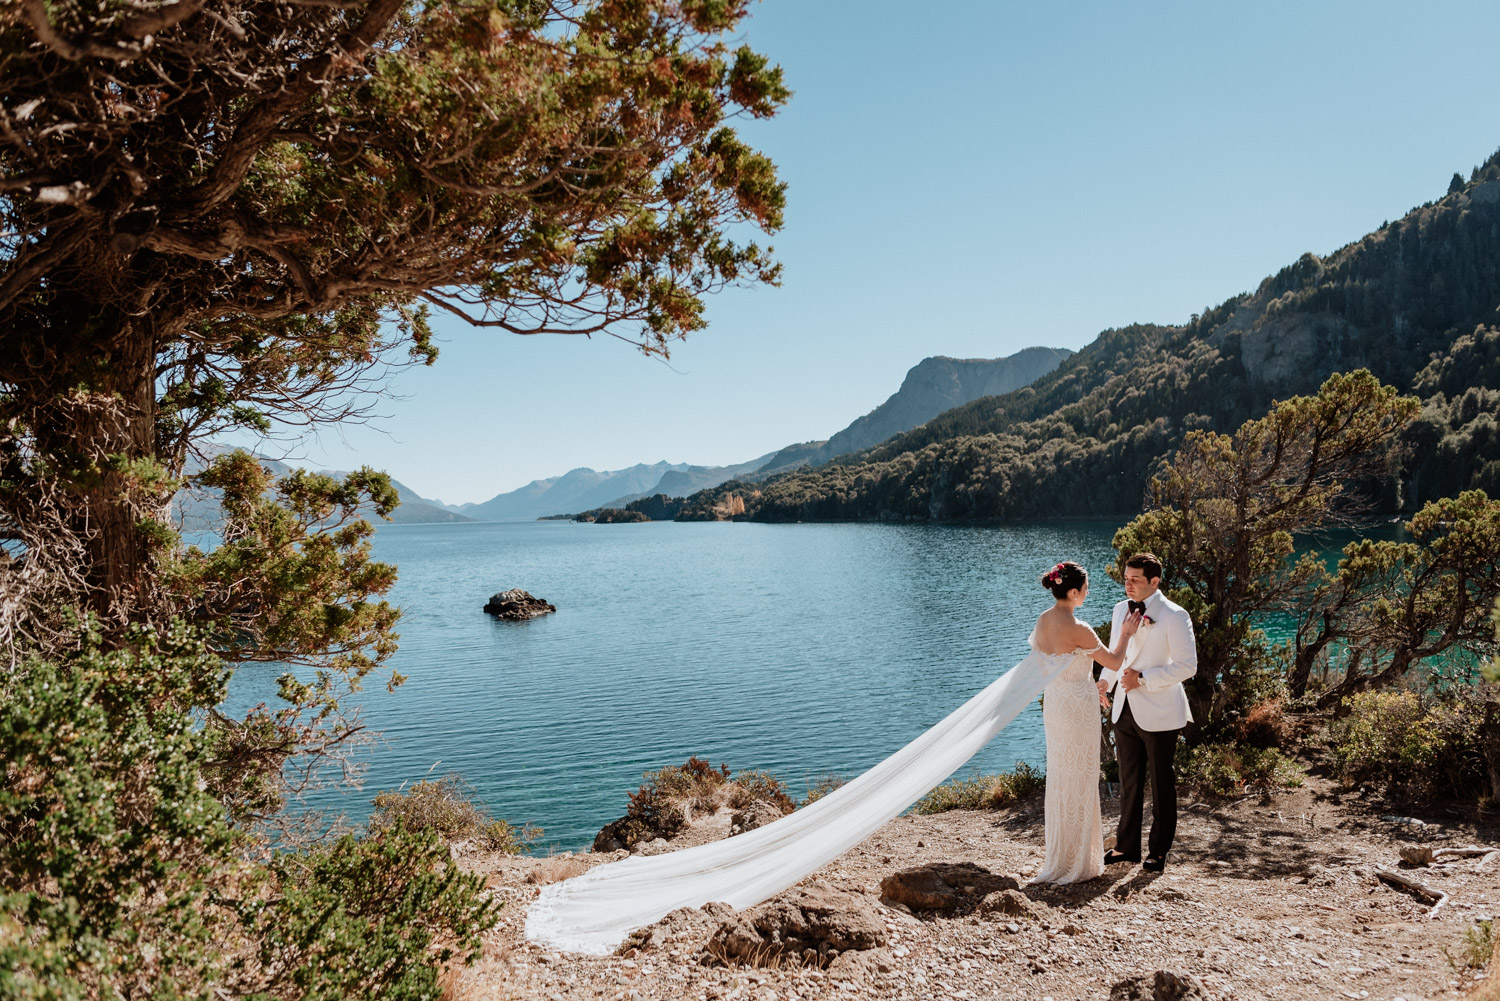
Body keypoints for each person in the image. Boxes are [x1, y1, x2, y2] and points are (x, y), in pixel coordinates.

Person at [1028, 561, 1140, 884]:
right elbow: (1115, 662)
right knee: (1082, 776)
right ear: (1074, 591)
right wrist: (1126, 634)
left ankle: (1060, 856)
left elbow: (1048, 665)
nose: (1087, 594)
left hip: (1055, 705)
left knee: (1062, 776)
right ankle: (1078, 862)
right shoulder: (1081, 629)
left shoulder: (1042, 622)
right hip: (1078, 708)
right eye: (1086, 589)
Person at [1097, 552, 1198, 873]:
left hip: (1160, 710)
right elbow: (1117, 654)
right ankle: (1126, 847)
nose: (1127, 585)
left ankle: (1159, 851)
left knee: (1162, 784)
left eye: (1134, 580)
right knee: (1129, 783)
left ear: (1155, 581)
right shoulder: (1118, 610)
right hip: (1123, 708)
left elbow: (1188, 667)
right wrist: (1104, 682)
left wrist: (1142, 679)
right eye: (1125, 578)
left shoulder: (1174, 615)